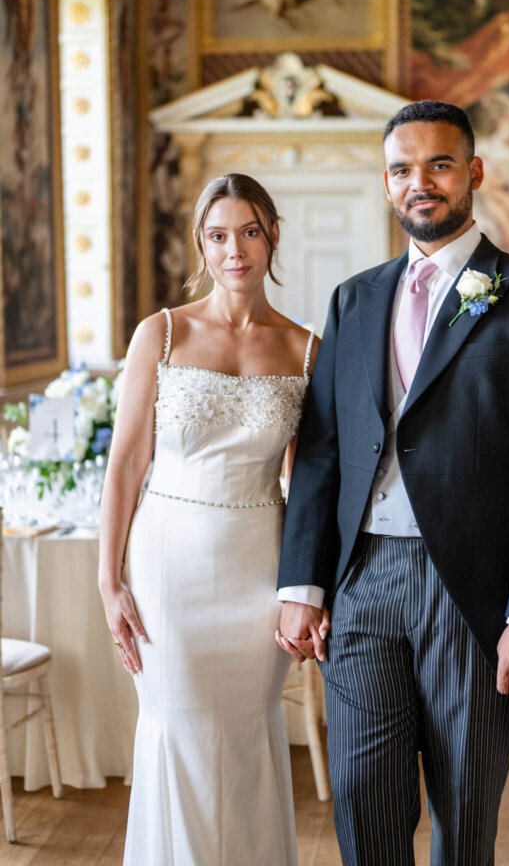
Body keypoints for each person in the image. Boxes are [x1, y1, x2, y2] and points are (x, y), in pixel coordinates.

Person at [276, 100, 509, 866]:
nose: (419, 183)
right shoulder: (353, 301)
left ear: (473, 172)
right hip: (362, 586)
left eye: (438, 164)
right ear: (386, 185)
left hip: (472, 594)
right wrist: (303, 586)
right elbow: (322, 452)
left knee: (462, 817)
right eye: (400, 169)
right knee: (364, 805)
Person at [98, 174, 321, 866]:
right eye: (219, 235)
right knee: (179, 728)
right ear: (201, 242)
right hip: (169, 566)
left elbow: (307, 484)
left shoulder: (305, 348)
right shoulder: (160, 334)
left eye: (249, 232)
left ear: (273, 235)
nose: (235, 250)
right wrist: (110, 583)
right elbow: (127, 464)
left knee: (250, 729)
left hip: (259, 561)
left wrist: (305, 590)